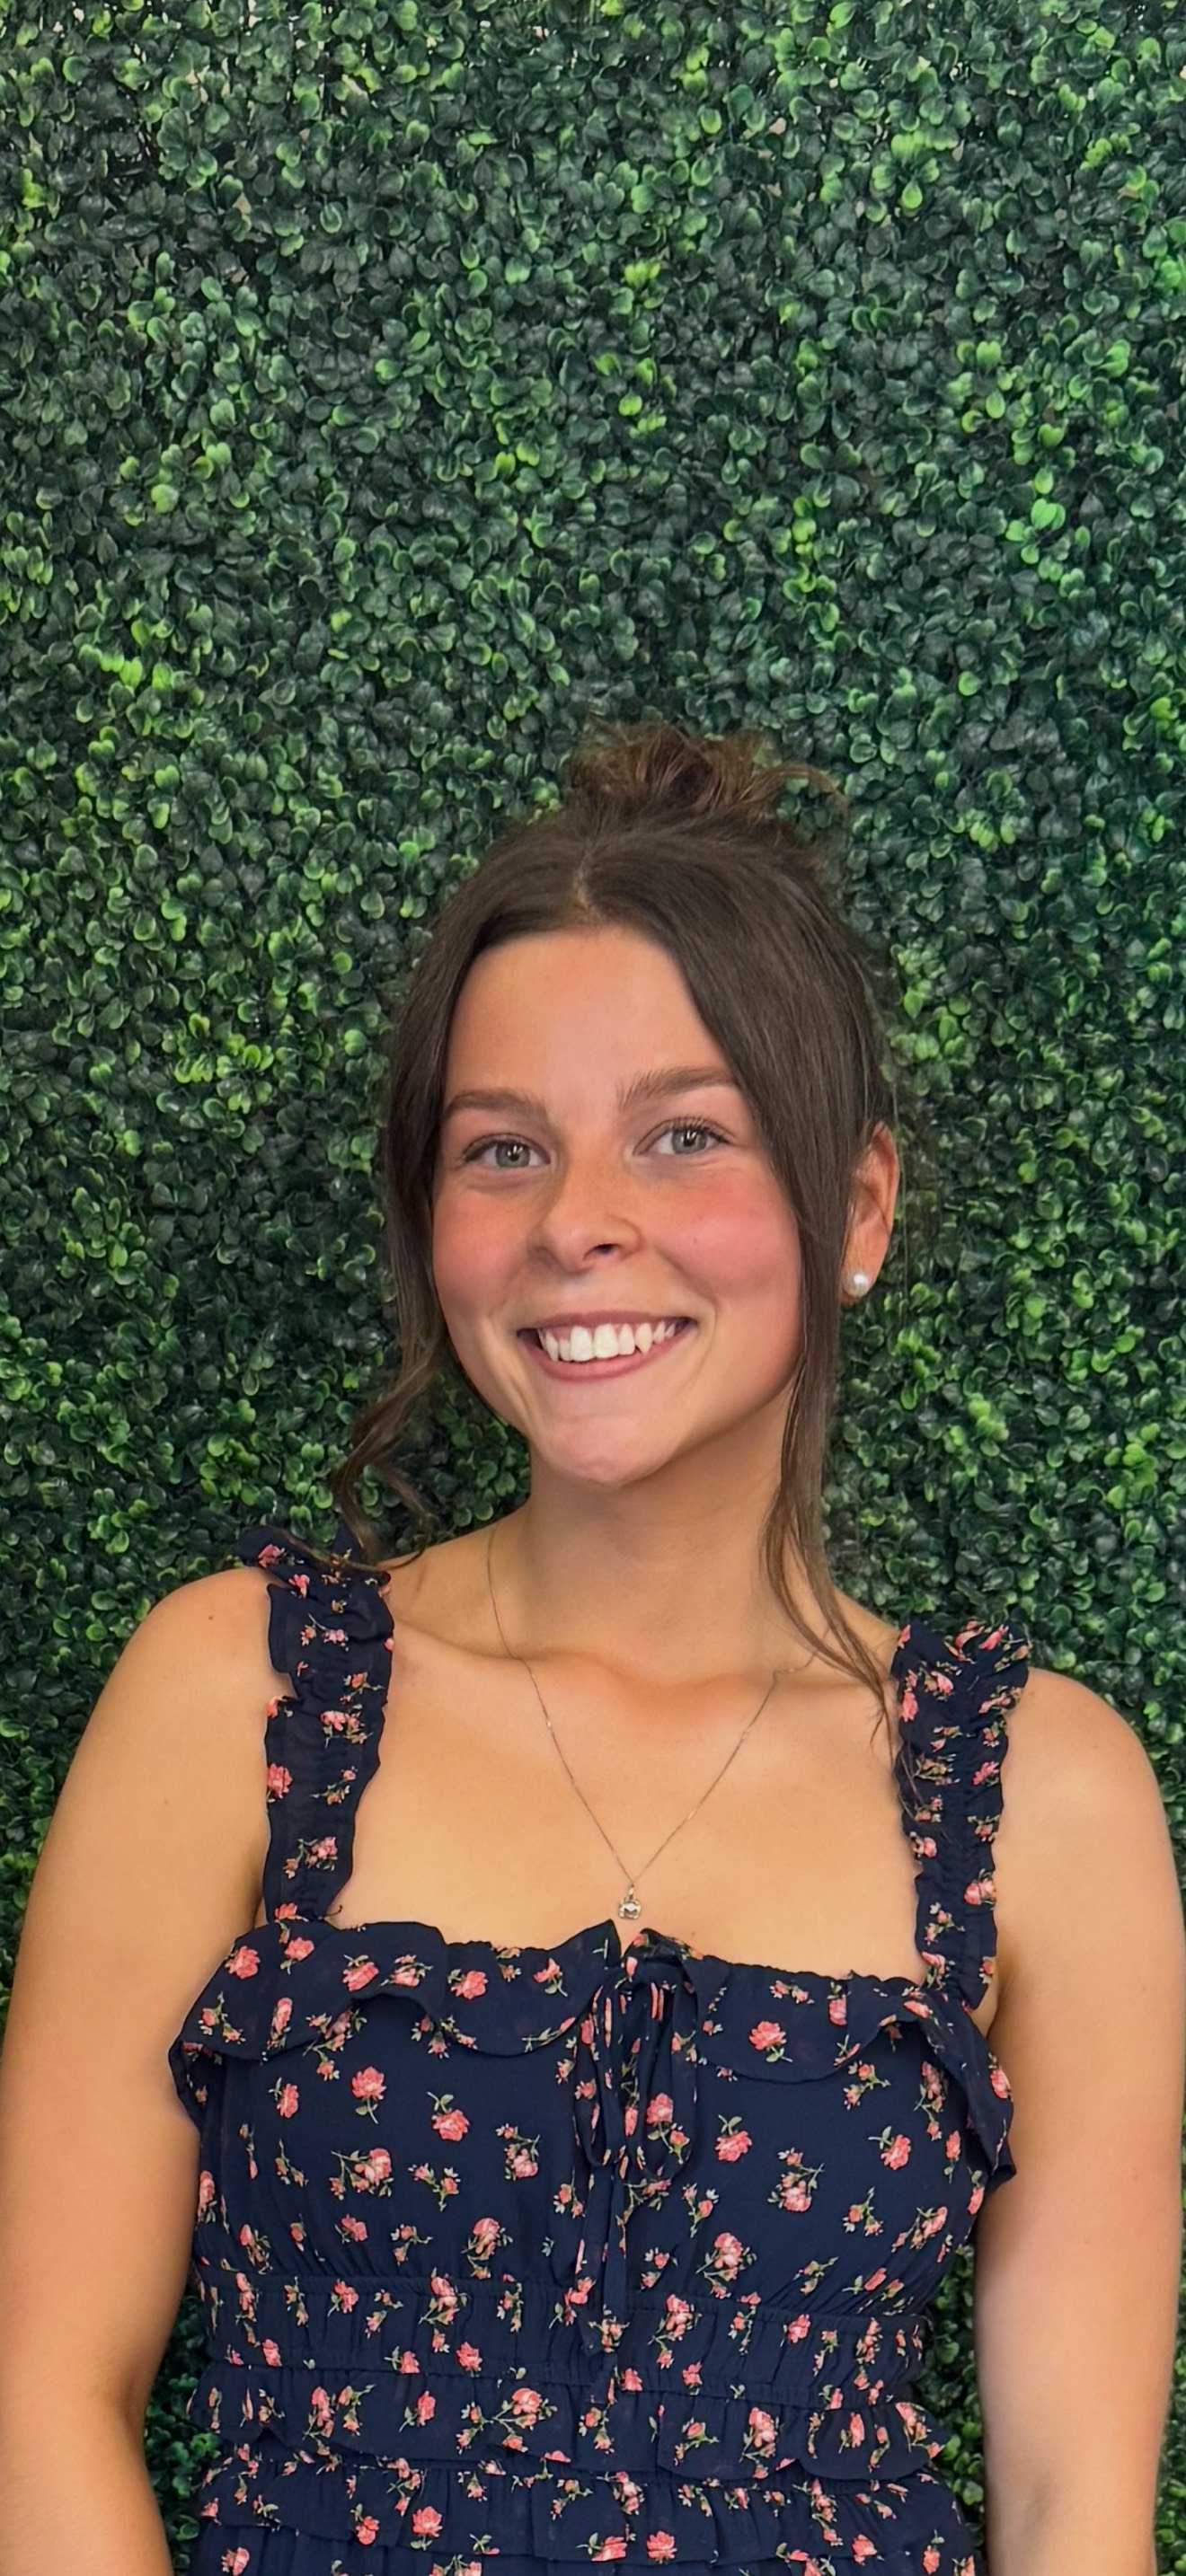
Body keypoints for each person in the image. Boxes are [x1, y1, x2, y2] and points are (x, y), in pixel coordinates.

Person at [0, 721, 1182, 2576]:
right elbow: (40, 2400)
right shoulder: (238, 1694)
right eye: (503, 1151)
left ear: (855, 1206)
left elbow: (1072, 2517)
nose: (577, 1226)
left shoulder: (1048, 1793)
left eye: (683, 1135)